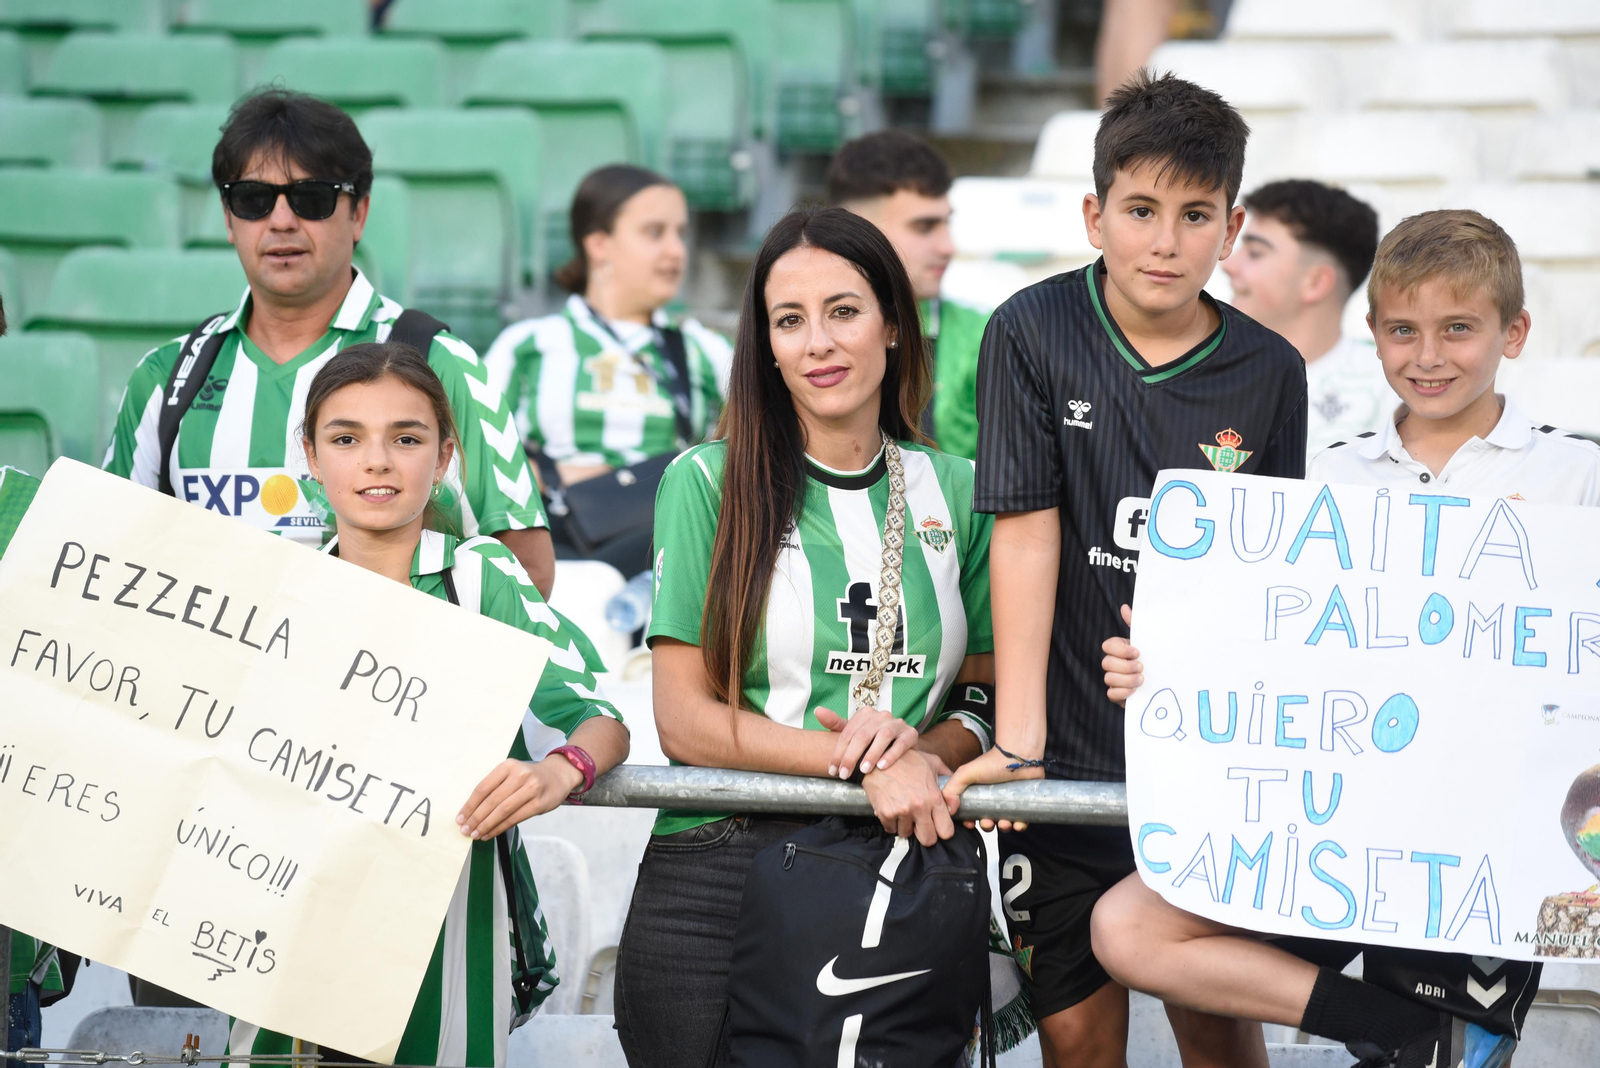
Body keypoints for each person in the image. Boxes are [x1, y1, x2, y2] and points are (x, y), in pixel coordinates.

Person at [1089, 209, 1597, 1068]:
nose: (1427, 356)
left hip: (1487, 839)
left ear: (1514, 333)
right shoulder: (1331, 476)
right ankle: (1397, 1031)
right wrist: (1164, 665)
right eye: (1403, 331)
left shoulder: (1577, 477)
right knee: (1131, 928)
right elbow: (1262, 645)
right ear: (1371, 335)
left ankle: (1430, 1035)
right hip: (1326, 824)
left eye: (1458, 330)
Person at [942, 70, 1309, 1068]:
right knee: (1078, 1045)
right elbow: (1024, 533)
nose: (1165, 240)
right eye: (1140, 210)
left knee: (1217, 1030)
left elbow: (1262, 580)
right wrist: (1019, 743)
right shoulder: (1030, 329)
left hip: (1199, 766)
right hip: (1063, 758)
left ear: (1230, 229)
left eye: (1194, 216)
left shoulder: (1272, 371)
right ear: (1093, 214)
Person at [611, 208, 996, 1068]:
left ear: (894, 323)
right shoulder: (707, 480)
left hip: (896, 858)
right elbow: (683, 722)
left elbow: (982, 698)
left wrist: (922, 752)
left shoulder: (962, 491)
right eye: (790, 321)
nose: (818, 341)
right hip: (718, 867)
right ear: (767, 347)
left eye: (844, 310)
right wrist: (858, 762)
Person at [227, 341, 629, 1067]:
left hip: (443, 938)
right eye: (346, 439)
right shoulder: (276, 591)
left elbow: (602, 722)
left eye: (405, 439)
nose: (377, 461)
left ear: (444, 458)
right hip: (282, 936)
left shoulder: (480, 579)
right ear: (311, 459)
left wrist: (558, 770)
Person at [102, 88, 555, 598]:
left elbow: (527, 574)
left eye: (310, 198)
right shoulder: (166, 376)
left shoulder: (440, 363)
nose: (281, 220)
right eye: (253, 198)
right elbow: (104, 553)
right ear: (228, 219)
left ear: (359, 213)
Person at [484, 165, 732, 576]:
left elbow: (760, 448)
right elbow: (471, 454)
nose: (676, 251)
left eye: (680, 233)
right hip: (554, 549)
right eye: (654, 232)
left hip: (663, 557)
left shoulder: (703, 349)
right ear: (599, 244)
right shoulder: (527, 344)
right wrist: (556, 475)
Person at [826, 130, 993, 460]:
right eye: (924, 227)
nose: (948, 247)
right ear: (859, 230)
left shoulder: (993, 336)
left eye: (947, 223)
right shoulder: (793, 338)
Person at [1222, 179, 1393, 451]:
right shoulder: (1206, 373)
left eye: (1255, 253)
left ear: (1316, 282)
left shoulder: (1394, 390)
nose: (1228, 264)